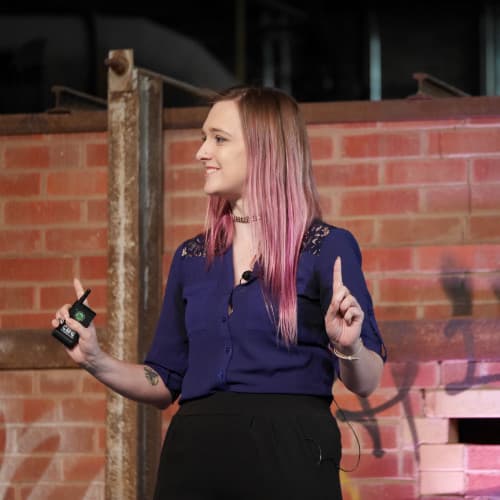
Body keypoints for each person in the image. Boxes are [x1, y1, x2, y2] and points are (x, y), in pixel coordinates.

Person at [52, 85, 386, 500]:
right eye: (203, 138)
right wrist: (95, 359)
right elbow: (164, 381)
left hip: (289, 457)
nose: (202, 152)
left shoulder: (325, 247)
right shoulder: (192, 257)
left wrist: (348, 346)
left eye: (219, 139)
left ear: (265, 150)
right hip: (195, 457)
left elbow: (367, 381)